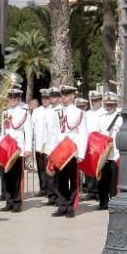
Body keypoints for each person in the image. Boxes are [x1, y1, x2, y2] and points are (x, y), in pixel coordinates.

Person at [49, 86, 88, 218]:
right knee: (60, 179)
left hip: (72, 151)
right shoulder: (58, 112)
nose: (63, 97)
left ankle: (71, 206)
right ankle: (62, 205)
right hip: (60, 150)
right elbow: (54, 133)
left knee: (73, 179)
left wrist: (81, 154)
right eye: (62, 95)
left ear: (72, 96)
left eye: (66, 95)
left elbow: (83, 134)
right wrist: (52, 151)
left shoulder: (79, 113)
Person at [0, 86, 32, 213]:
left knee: (17, 177)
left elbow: (28, 131)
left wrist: (28, 149)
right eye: (10, 97)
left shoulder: (24, 112)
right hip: (6, 148)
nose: (12, 99)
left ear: (19, 98)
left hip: (18, 148)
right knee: (6, 175)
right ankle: (9, 201)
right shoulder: (5, 111)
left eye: (15, 97)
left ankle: (17, 202)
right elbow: (3, 130)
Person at [96, 92, 122, 210]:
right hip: (103, 154)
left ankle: (113, 201)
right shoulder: (101, 117)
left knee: (114, 180)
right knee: (102, 179)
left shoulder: (121, 117)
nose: (109, 106)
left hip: (115, 153)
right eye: (107, 104)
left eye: (111, 104)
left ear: (116, 104)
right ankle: (103, 202)